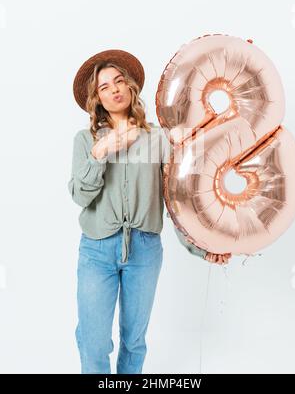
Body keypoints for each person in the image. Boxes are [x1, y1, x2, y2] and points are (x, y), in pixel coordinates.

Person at [68, 49, 231, 374]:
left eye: (119, 81)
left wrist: (202, 247)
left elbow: (176, 202)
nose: (114, 89)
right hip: (96, 251)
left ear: (130, 87)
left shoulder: (158, 139)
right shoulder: (86, 140)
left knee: (134, 341)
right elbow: (81, 196)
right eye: (104, 87)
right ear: (96, 98)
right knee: (93, 342)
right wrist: (101, 152)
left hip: (144, 251)